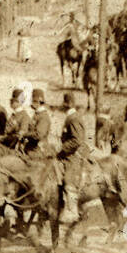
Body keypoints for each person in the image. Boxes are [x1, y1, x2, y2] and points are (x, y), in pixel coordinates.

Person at [57, 92, 90, 225]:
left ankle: (72, 211)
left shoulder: (74, 118)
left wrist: (62, 149)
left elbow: (77, 140)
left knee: (68, 179)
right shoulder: (70, 117)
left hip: (75, 154)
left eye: (65, 104)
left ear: (68, 105)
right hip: (69, 153)